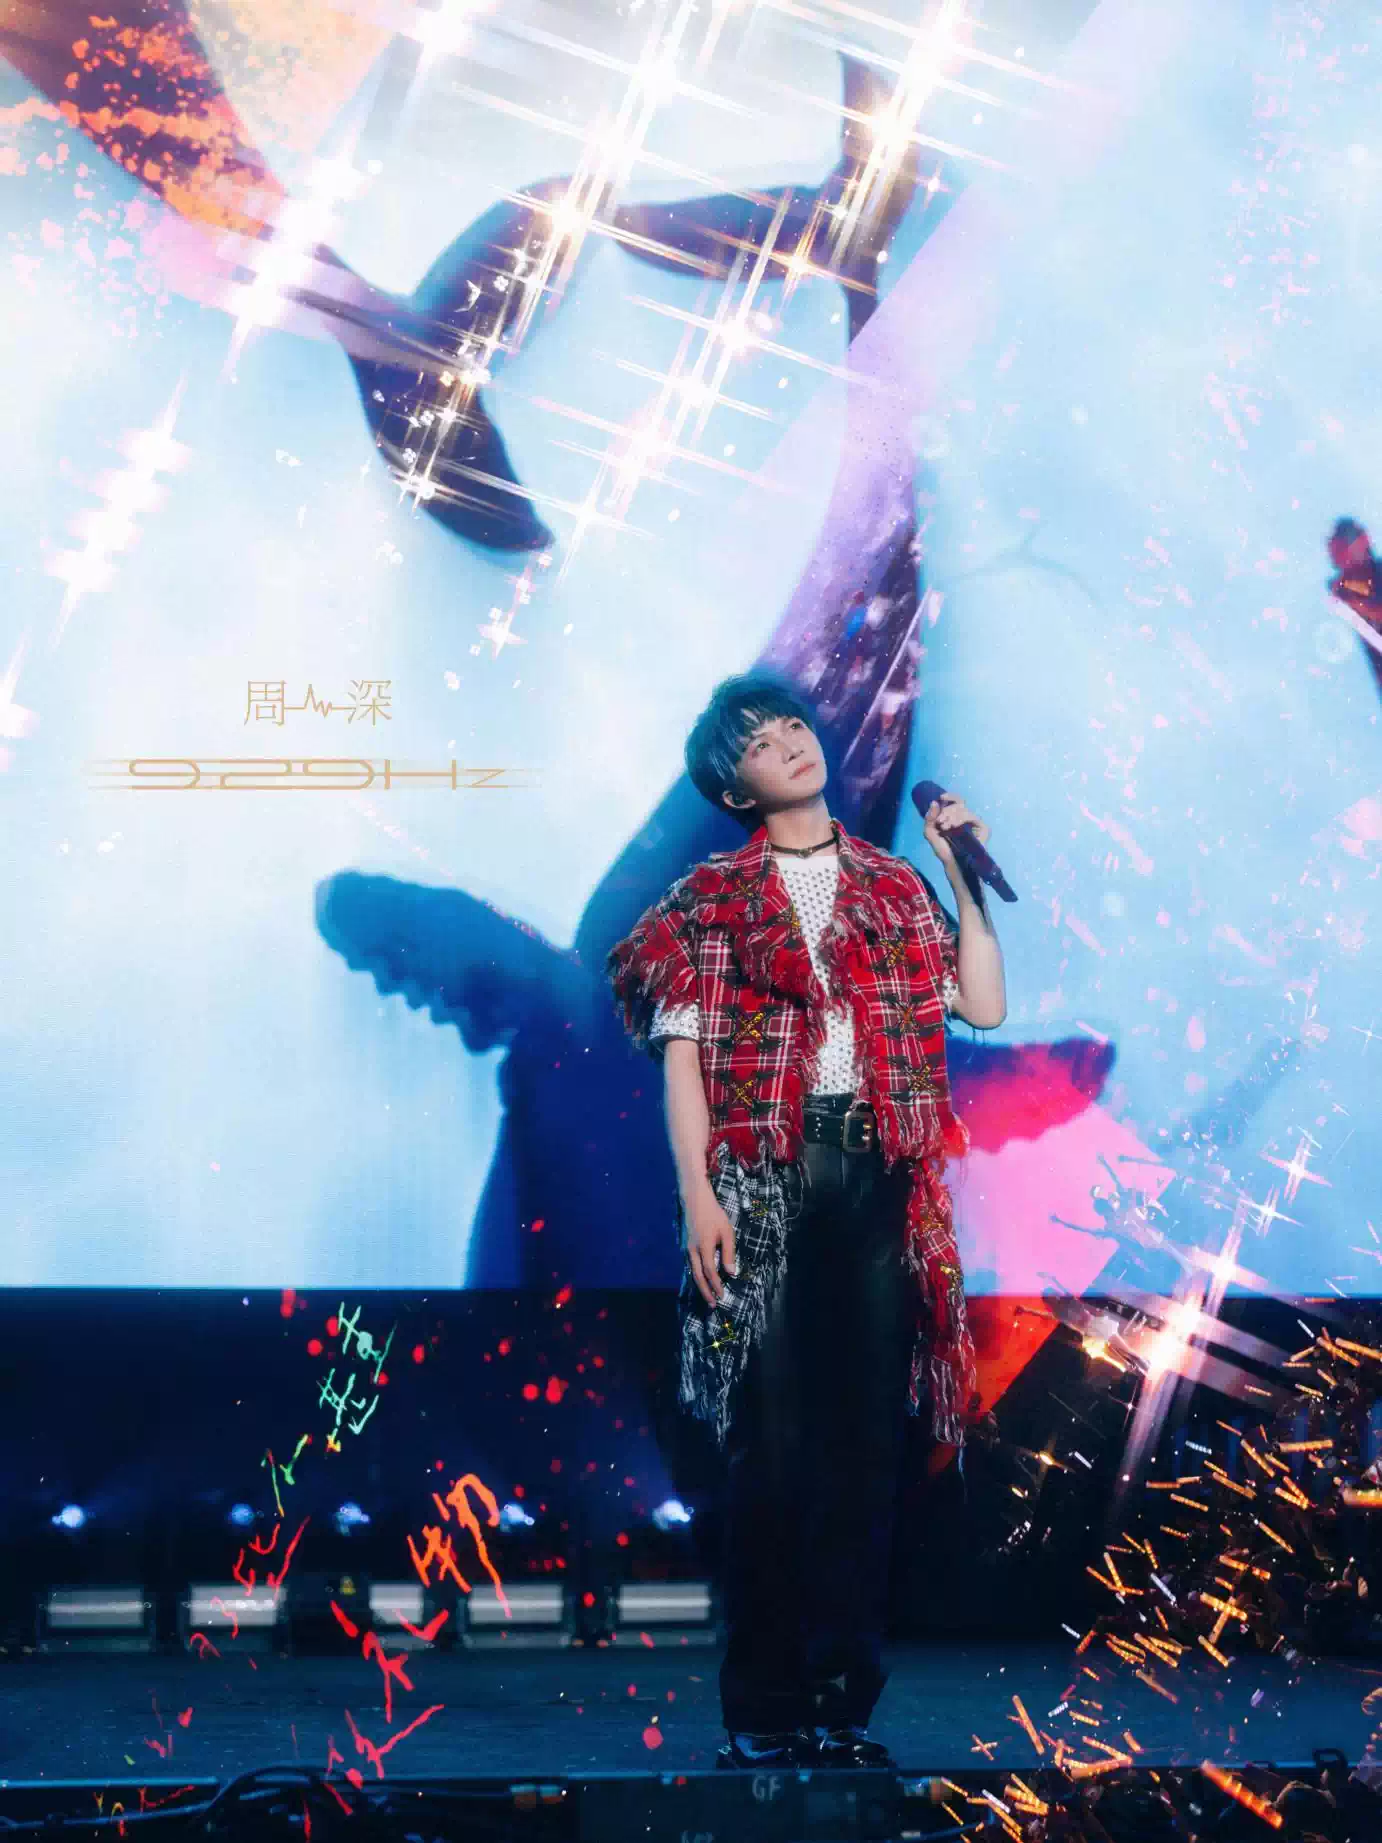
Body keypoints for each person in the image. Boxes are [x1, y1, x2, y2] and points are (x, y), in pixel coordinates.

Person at [606, 673, 1007, 1772]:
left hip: (877, 1177)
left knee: (862, 1448)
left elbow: (981, 1004)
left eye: (791, 723)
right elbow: (682, 1057)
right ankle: (764, 1708)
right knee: (771, 1448)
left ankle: (841, 1703)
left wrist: (958, 873)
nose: (788, 740)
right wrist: (698, 1194)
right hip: (764, 1178)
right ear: (733, 787)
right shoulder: (709, 899)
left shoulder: (889, 881)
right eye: (758, 740)